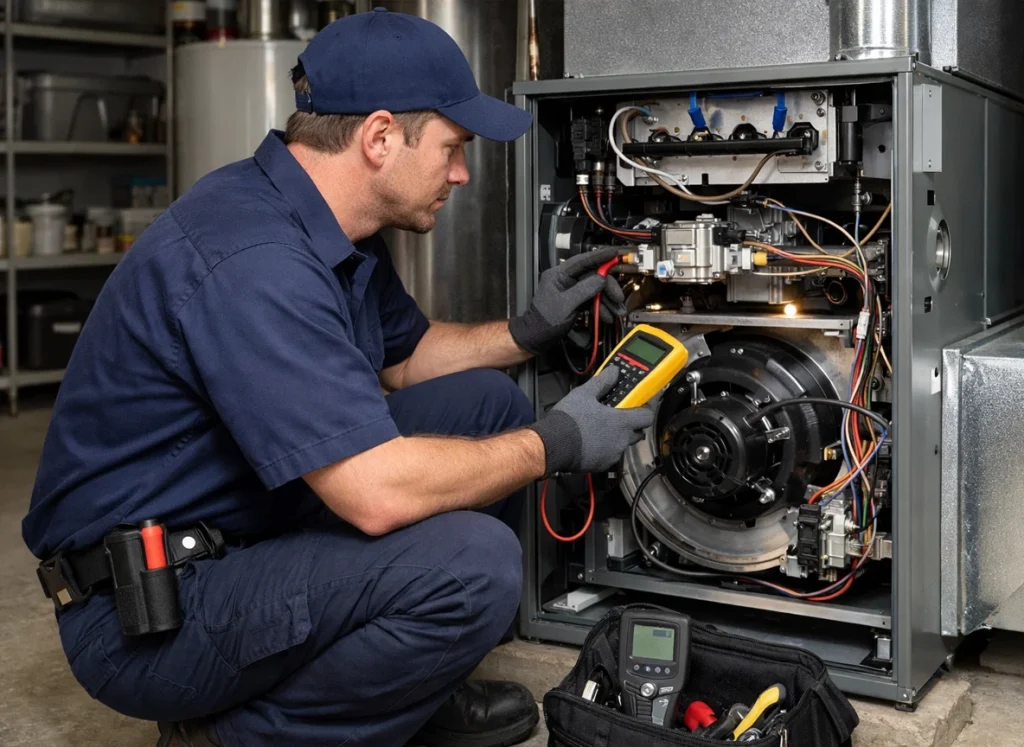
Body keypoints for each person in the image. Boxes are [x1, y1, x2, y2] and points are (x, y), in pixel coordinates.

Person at [23, 8, 652, 747]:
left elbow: (409, 356)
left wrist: (527, 328)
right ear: (380, 137)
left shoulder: (326, 220)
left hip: (242, 523)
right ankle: (236, 736)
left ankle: (396, 690)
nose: (460, 172)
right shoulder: (253, 258)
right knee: (475, 568)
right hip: (148, 609)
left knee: (484, 403)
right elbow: (374, 492)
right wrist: (557, 442)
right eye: (452, 147)